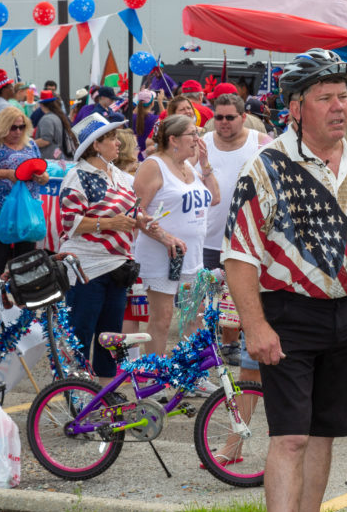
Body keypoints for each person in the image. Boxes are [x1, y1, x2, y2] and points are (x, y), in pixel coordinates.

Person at [222, 48, 347, 512]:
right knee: (289, 437)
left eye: (343, 96)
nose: (338, 107)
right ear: (295, 107)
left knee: (325, 433)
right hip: (285, 314)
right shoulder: (266, 168)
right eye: (324, 97)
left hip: (345, 315)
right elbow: (239, 256)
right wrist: (256, 326)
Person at [58, 113, 149, 385]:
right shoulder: (77, 177)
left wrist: (145, 221)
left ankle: (105, 397)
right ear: (96, 145)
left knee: (111, 337)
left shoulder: (121, 176)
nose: (118, 143)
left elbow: (134, 212)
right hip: (86, 268)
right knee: (81, 334)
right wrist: (111, 223)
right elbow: (70, 222)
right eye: (111, 138)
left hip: (118, 266)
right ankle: (75, 396)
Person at [133, 114, 220, 371]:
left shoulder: (188, 166)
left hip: (192, 256)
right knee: (163, 318)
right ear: (173, 139)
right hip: (162, 255)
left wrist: (205, 163)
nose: (197, 139)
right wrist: (164, 236)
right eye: (192, 134)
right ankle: (155, 376)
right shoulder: (154, 165)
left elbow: (214, 198)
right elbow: (135, 210)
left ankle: (192, 375)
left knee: (195, 316)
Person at [202, 93, 273, 367]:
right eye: (218, 117)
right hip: (206, 237)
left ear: (244, 117)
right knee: (208, 297)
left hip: (245, 238)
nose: (223, 123)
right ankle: (206, 347)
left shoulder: (262, 144)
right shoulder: (202, 143)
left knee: (240, 293)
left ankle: (232, 342)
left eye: (230, 117)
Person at [0, 106, 49, 279]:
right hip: (1, 208)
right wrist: (6, 174)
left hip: (27, 209)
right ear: (3, 126)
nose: (18, 131)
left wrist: (42, 177)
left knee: (26, 262)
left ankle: (23, 301)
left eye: (21, 127)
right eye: (13, 127)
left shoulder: (31, 144)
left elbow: (43, 171)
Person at [33, 89, 77, 159]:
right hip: (58, 156)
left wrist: (29, 143)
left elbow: (46, 140)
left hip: (49, 158)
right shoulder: (57, 116)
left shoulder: (47, 119)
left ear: (41, 104)